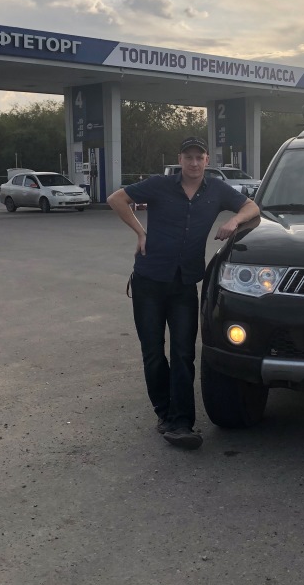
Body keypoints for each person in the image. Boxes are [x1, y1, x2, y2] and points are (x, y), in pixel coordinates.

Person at [107, 136, 260, 450]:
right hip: (149, 281)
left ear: (206, 161)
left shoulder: (217, 190)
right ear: (180, 159)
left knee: (183, 353)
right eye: (188, 157)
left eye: (199, 157)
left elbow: (252, 207)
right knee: (153, 352)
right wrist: (140, 231)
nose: (193, 163)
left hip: (184, 285)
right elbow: (116, 199)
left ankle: (181, 423)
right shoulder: (159, 185)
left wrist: (234, 220)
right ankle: (164, 413)